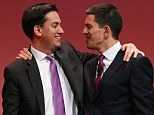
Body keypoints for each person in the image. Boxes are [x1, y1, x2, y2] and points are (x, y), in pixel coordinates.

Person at [2, 2, 143, 115]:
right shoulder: (17, 71)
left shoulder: (68, 53)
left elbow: (106, 60)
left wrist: (126, 48)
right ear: (38, 30)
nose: (61, 31)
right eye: (55, 25)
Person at [83, 3, 154, 115]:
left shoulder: (135, 63)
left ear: (106, 31)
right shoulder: (89, 65)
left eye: (89, 27)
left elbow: (146, 111)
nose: (84, 31)